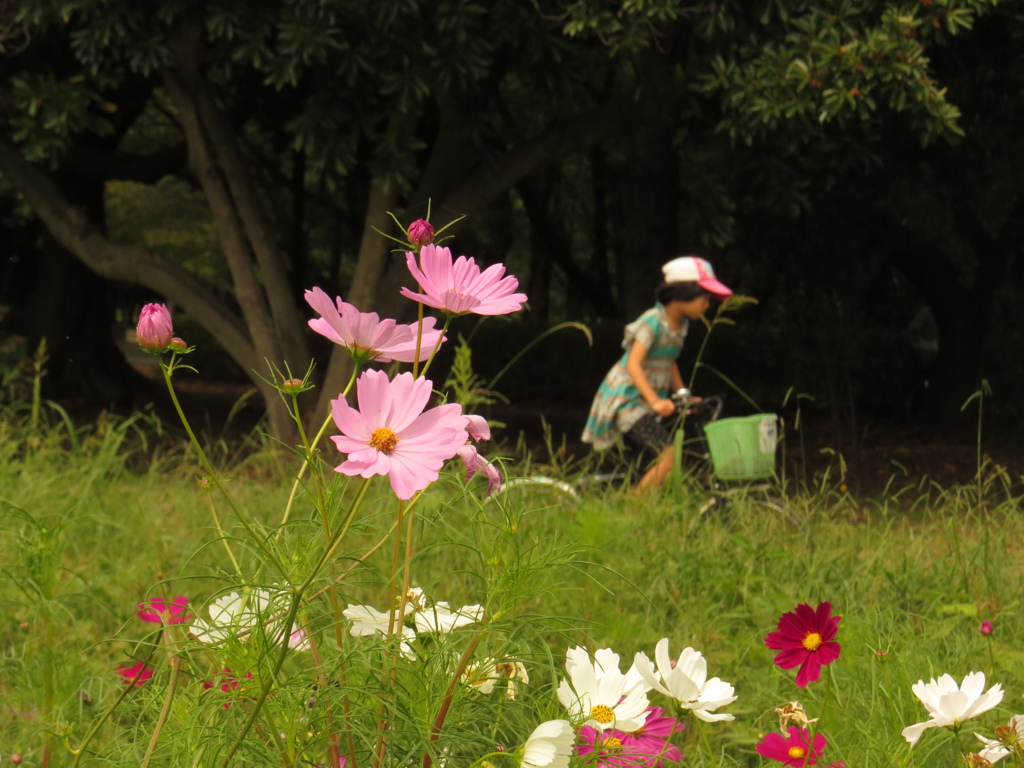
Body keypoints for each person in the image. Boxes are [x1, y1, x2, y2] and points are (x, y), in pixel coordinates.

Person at [582, 256, 733, 490]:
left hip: (643, 403)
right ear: (684, 293)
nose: (707, 305)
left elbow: (668, 361)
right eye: (705, 298)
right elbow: (633, 364)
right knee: (669, 456)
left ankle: (633, 509)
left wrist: (682, 394)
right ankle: (633, 510)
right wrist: (655, 401)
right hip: (627, 402)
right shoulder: (653, 321)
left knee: (646, 467)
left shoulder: (680, 325)